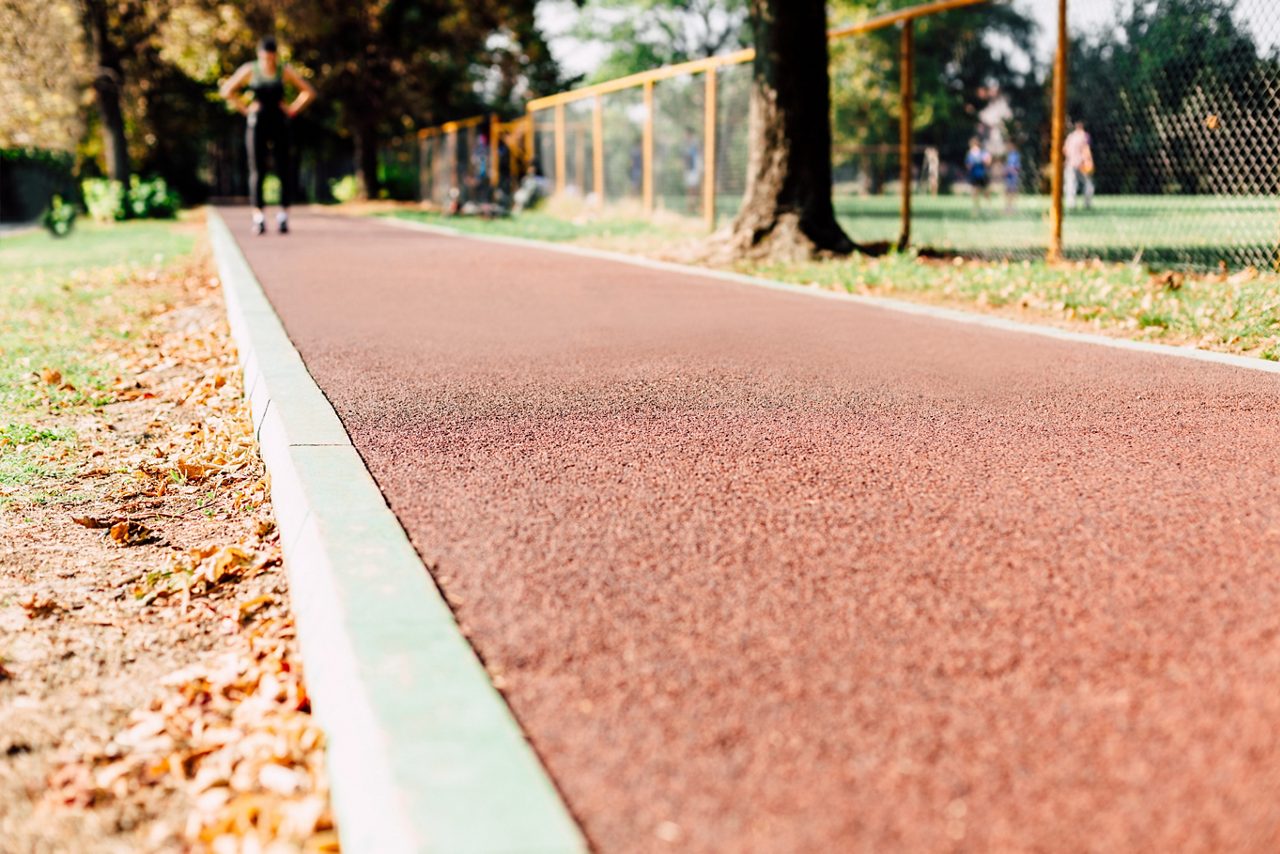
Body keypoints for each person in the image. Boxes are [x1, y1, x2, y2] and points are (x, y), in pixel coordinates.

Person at [220, 36, 316, 235]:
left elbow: (308, 92)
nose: (269, 61)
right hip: (257, 123)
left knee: (284, 169)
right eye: (266, 57)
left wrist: (292, 109)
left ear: (275, 56)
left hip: (280, 122)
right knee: (257, 170)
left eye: (272, 57)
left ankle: (283, 216)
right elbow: (227, 90)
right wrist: (245, 109)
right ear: (259, 55)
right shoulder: (250, 70)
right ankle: (259, 217)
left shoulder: (283, 70)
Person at [1063, 121, 1095, 210]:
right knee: (1088, 184)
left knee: (1071, 184)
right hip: (1082, 163)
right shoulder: (1085, 136)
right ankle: (1087, 203)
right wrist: (1089, 161)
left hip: (1070, 163)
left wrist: (1071, 157)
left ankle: (1071, 204)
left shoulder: (1070, 137)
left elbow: (1065, 150)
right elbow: (1086, 149)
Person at [965, 137, 992, 214]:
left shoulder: (983, 153)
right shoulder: (970, 154)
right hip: (974, 176)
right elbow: (968, 166)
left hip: (982, 175)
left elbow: (988, 162)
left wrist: (983, 160)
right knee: (974, 192)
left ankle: (989, 208)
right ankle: (976, 208)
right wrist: (972, 163)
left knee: (986, 192)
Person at [1003, 149, 1022, 213]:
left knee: (1013, 192)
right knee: (1007, 193)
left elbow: (1017, 168)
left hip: (1013, 177)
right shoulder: (1008, 155)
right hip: (1008, 177)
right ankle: (1007, 207)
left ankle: (1013, 208)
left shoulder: (1016, 155)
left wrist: (1010, 170)